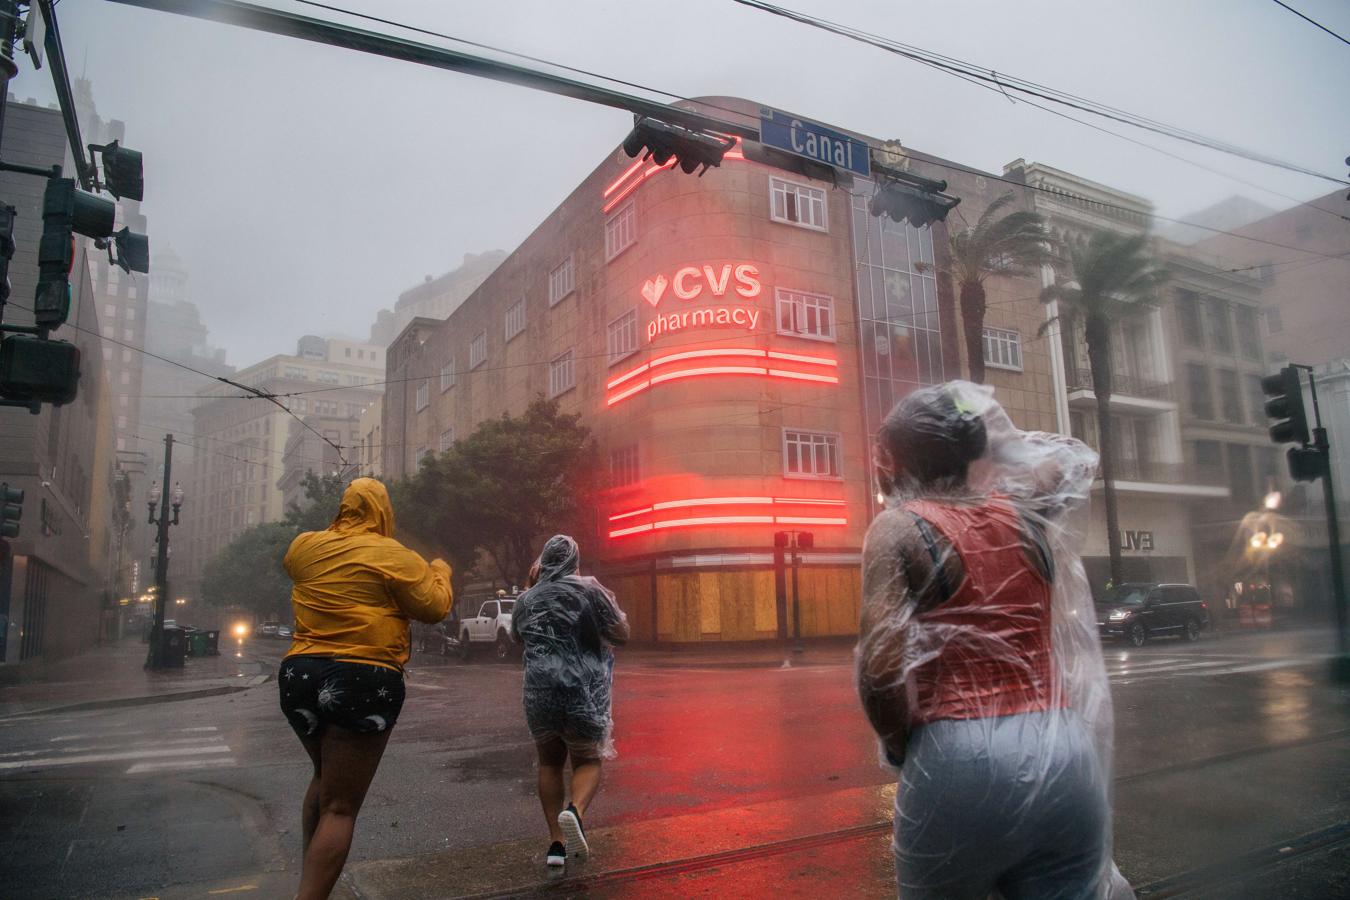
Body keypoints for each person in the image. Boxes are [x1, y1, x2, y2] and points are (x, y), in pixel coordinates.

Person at [856, 382, 1132, 900]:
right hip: (1064, 749)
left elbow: (880, 669)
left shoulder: (899, 529)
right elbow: (1069, 464)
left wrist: (899, 745)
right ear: (976, 452)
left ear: (895, 459)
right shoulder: (1026, 518)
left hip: (958, 758)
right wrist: (991, 437)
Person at [279, 478, 452, 899]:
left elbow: (297, 567)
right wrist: (440, 570)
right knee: (340, 806)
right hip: (362, 679)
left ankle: (311, 874)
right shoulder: (394, 556)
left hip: (298, 675)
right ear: (383, 511)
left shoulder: (303, 545)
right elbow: (434, 607)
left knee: (324, 779)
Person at [511, 534, 629, 868]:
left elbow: (518, 635)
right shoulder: (590, 591)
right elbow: (621, 634)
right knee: (588, 760)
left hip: (539, 694)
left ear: (543, 562)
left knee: (549, 763)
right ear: (573, 562)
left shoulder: (527, 599)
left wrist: (533, 586)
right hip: (582, 693)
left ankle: (557, 845)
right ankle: (573, 812)